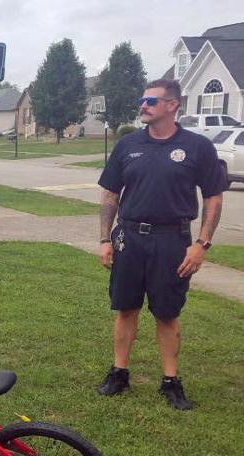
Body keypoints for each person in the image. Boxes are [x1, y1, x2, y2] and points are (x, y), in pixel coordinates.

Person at [96, 79, 225, 410]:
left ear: (172, 105)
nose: (143, 106)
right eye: (142, 100)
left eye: (151, 101)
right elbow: (110, 194)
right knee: (126, 307)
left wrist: (202, 244)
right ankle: (119, 372)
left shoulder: (197, 147)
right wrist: (103, 239)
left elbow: (213, 197)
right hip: (129, 237)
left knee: (166, 313)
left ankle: (170, 381)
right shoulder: (127, 145)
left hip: (172, 240)